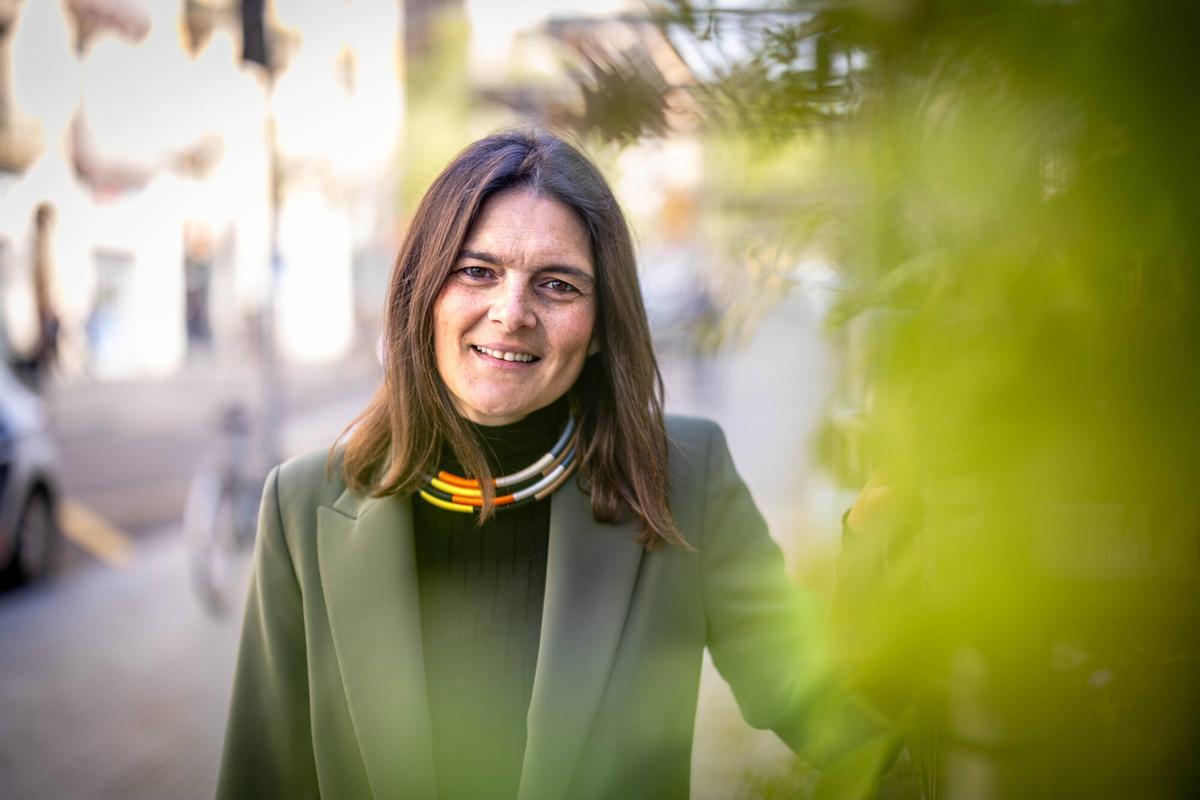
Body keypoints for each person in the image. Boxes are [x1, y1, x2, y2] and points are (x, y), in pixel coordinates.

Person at [217, 129, 890, 799]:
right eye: (477, 272)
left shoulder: (684, 478)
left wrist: (881, 541)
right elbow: (263, 779)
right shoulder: (302, 506)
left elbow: (832, 709)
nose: (511, 313)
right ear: (422, 294)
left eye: (557, 285)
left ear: (601, 327)